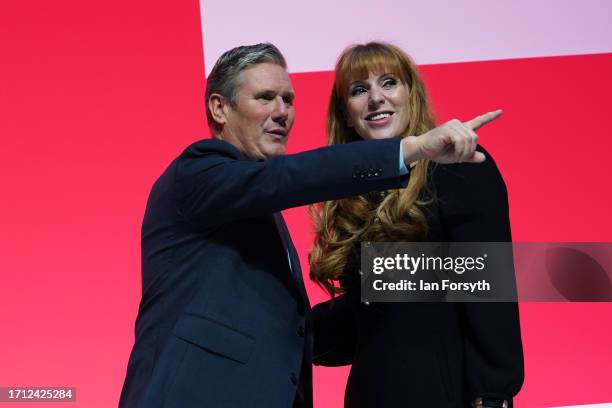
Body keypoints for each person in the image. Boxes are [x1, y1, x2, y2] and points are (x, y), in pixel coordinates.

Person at [119, 42, 500, 408]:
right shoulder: (198, 173)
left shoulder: (463, 170)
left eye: (289, 100)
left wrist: (492, 393)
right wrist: (411, 149)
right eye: (265, 97)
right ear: (219, 108)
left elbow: (490, 283)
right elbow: (293, 177)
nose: (282, 111)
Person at [310, 42, 524, 408]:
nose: (376, 98)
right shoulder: (355, 193)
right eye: (359, 90)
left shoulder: (459, 168)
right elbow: (372, 315)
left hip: (440, 393)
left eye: (389, 83)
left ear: (412, 94)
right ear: (347, 114)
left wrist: (492, 395)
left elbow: (489, 294)